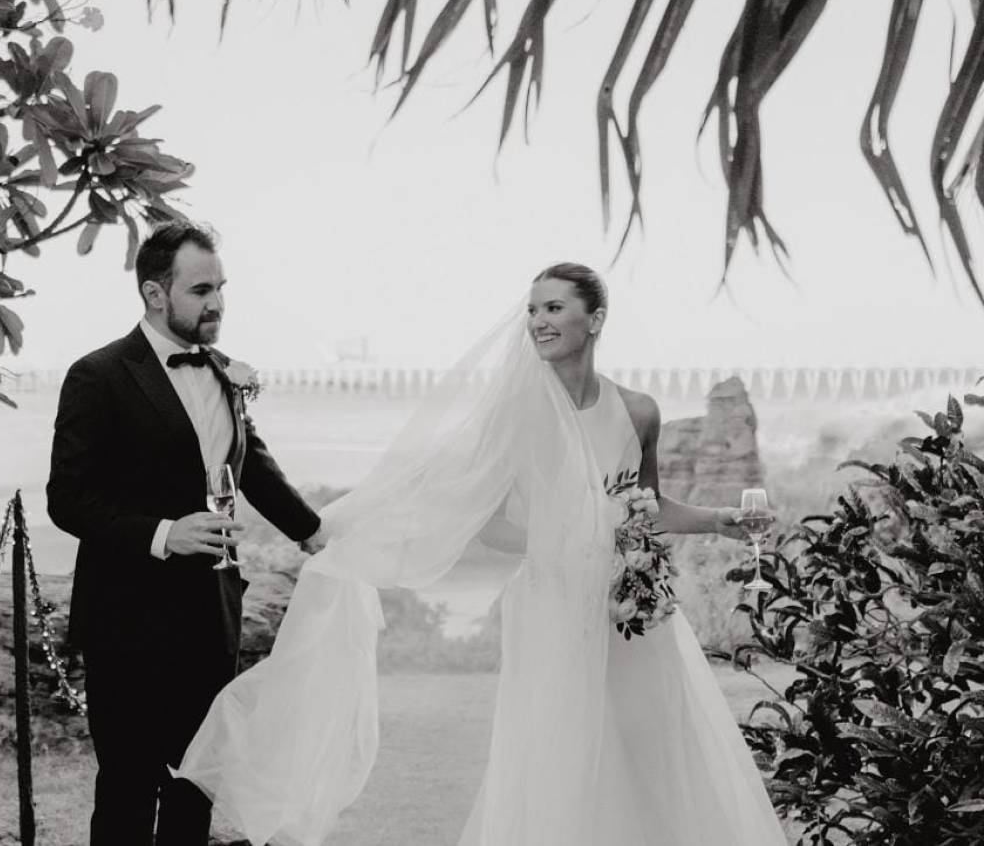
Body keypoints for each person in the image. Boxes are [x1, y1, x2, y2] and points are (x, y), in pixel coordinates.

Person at [173, 262, 786, 845]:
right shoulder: (518, 415)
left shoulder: (638, 410)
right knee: (559, 751)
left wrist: (719, 521)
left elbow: (645, 506)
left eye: (555, 307)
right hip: (553, 604)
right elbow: (487, 521)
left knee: (653, 744)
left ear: (595, 319)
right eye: (532, 310)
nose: (539, 321)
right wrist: (567, 542)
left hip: (636, 609)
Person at [46, 221, 326, 845]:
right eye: (201, 289)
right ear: (154, 293)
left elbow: (250, 464)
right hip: (127, 617)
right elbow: (67, 500)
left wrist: (315, 534)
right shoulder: (97, 376)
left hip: (211, 612)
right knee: (127, 786)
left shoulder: (225, 374)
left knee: (194, 789)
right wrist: (164, 533)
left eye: (222, 287)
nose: (218, 302)